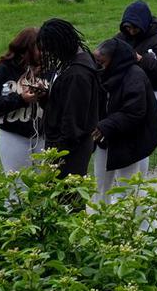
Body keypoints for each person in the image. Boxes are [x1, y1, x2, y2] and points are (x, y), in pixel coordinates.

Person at [92, 37, 157, 203]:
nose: (99, 66)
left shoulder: (134, 76)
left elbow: (134, 112)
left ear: (114, 59)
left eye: (102, 62)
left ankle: (142, 227)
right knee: (100, 185)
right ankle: (100, 224)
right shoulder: (103, 74)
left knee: (130, 188)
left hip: (128, 141)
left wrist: (105, 125)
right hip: (106, 138)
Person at [28, 19, 103, 179]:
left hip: (69, 150)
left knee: (65, 199)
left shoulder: (77, 74)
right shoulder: (74, 62)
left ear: (60, 44)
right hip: (70, 144)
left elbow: (73, 120)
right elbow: (66, 103)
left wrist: (56, 152)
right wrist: (47, 97)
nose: (49, 54)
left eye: (51, 49)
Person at [0, 27, 45, 172]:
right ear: (27, 49)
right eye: (40, 49)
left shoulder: (49, 68)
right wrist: (20, 99)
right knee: (18, 186)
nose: (44, 53)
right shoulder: (5, 69)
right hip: (13, 135)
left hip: (44, 134)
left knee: (47, 185)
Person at [115, 0, 157, 106]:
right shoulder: (121, 38)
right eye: (128, 28)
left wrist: (142, 60)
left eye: (135, 28)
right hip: (125, 90)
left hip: (152, 91)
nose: (131, 32)